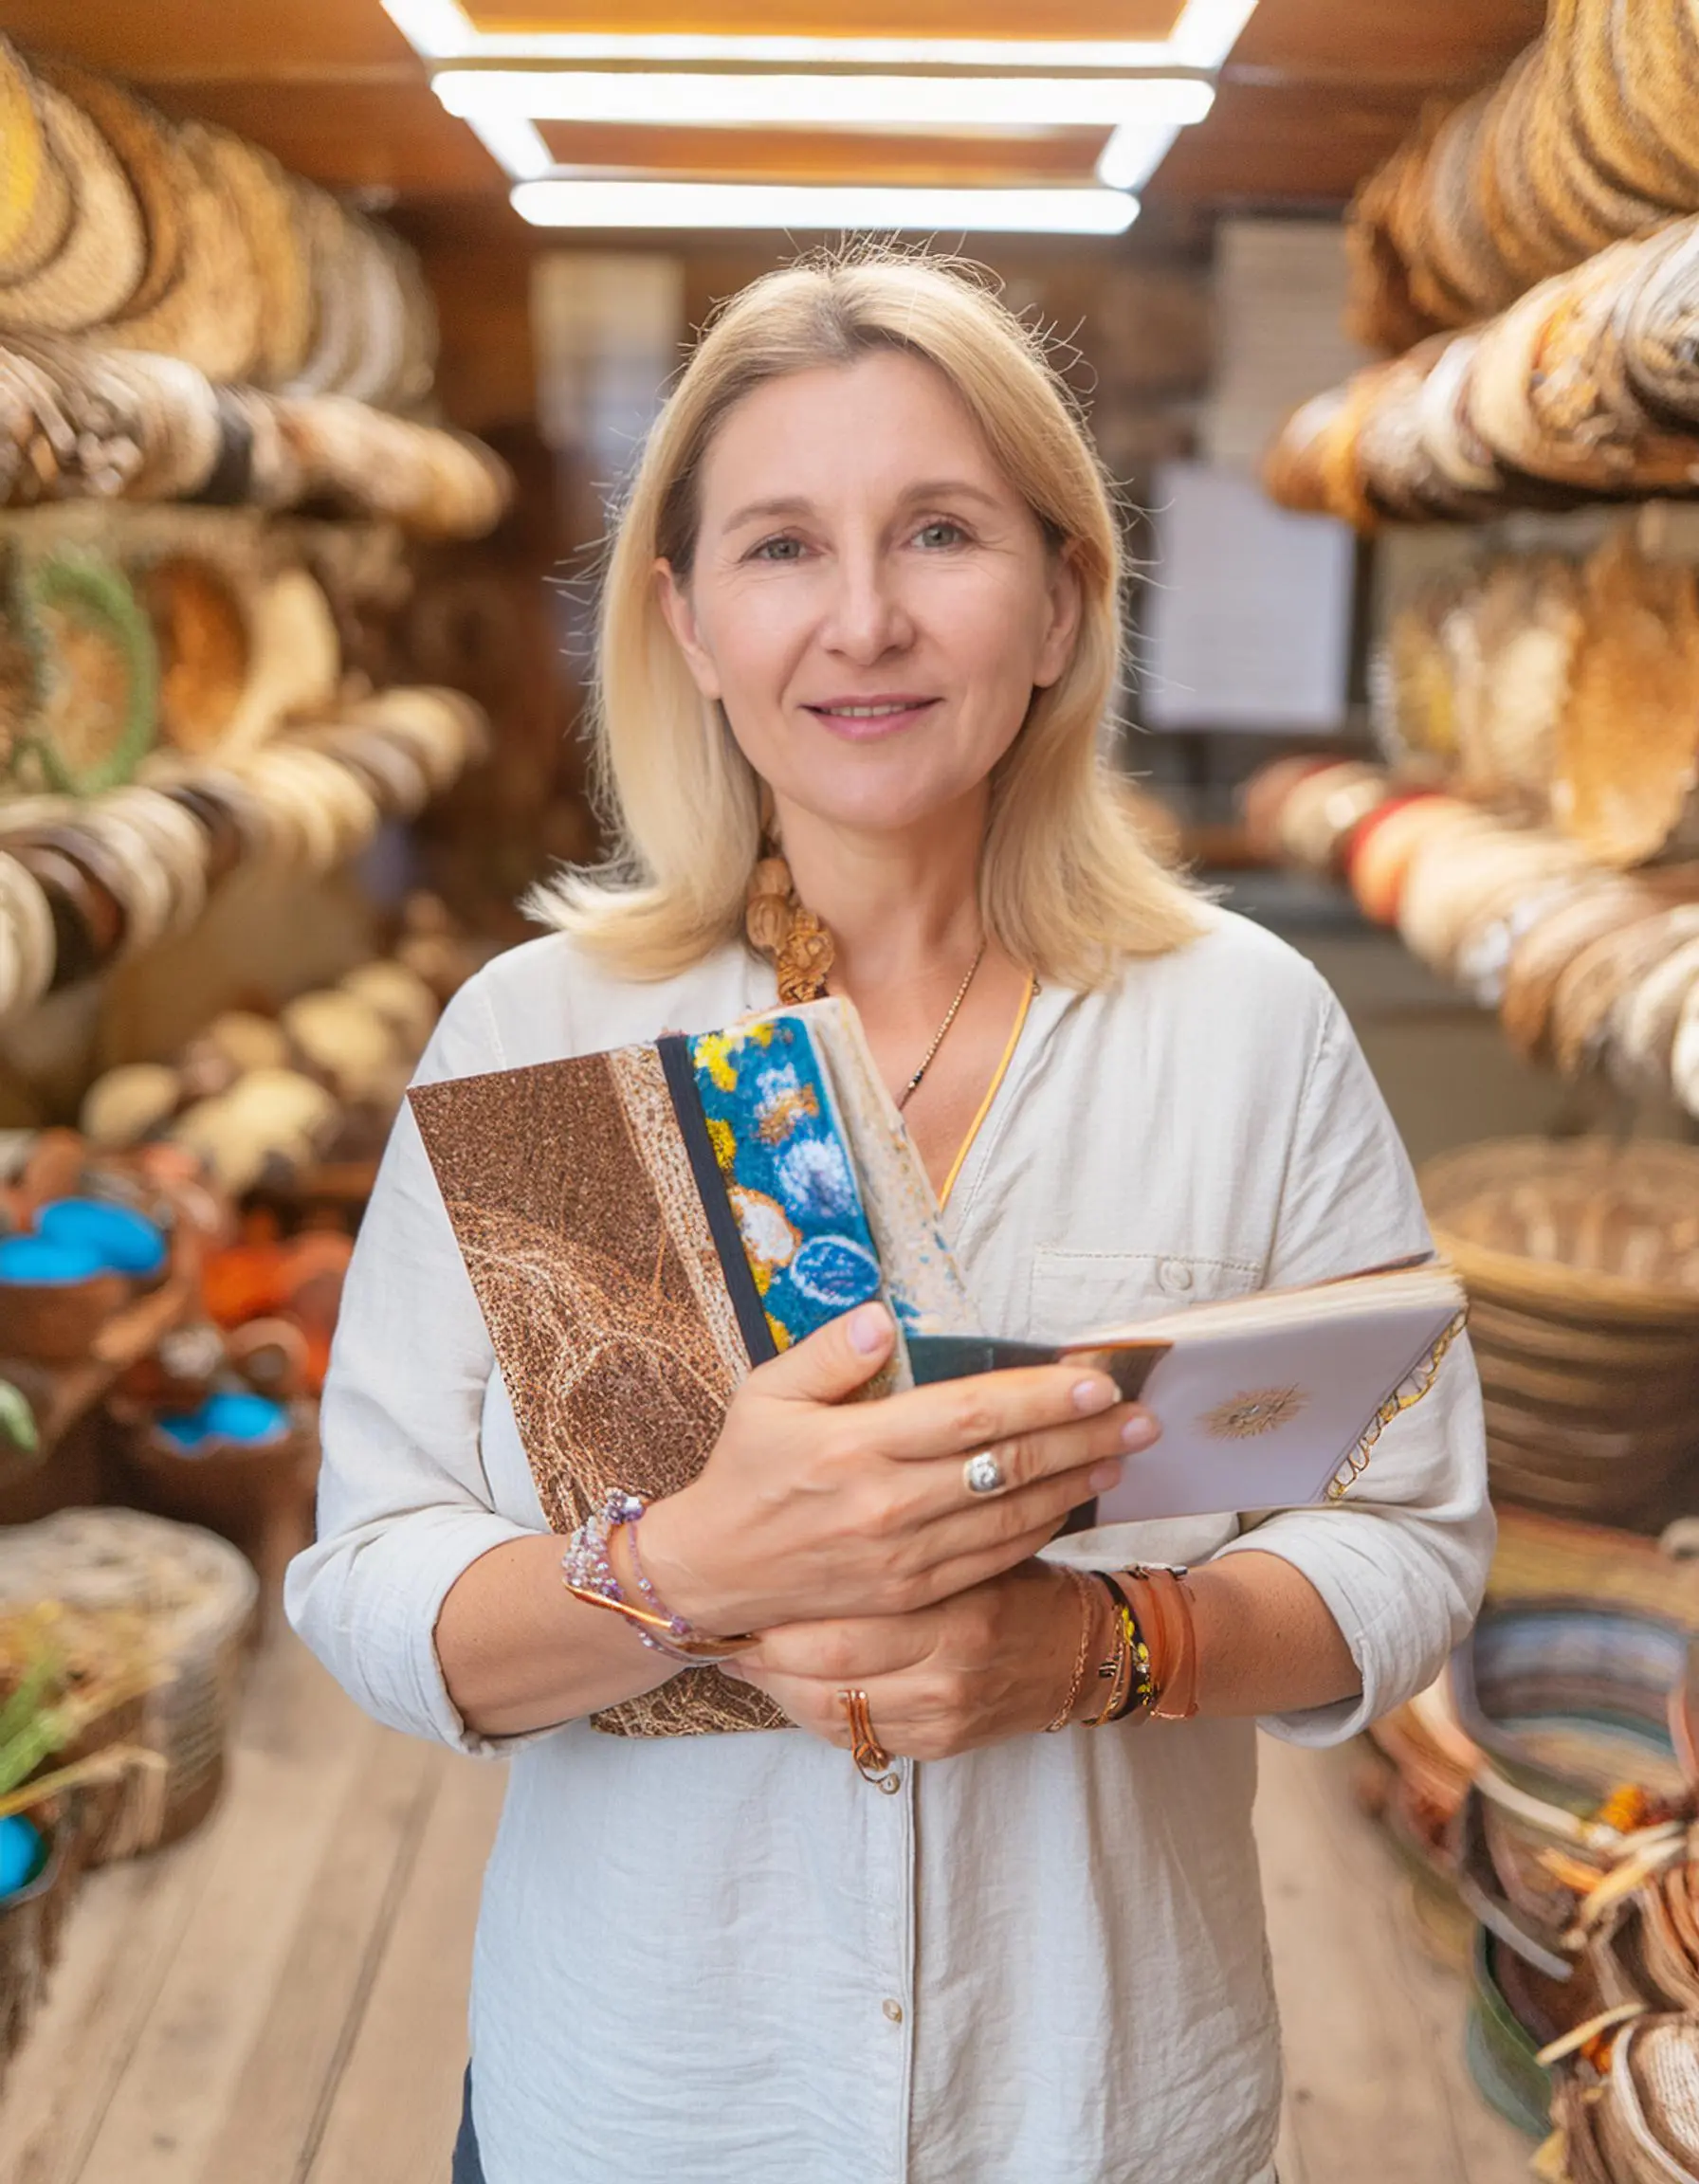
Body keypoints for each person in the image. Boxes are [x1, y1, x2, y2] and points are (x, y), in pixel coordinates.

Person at [286, 245, 1491, 2184]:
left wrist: (1099, 1648)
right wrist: (683, 1571)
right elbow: (369, 1582)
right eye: (780, 547)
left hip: (1097, 2116)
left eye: (939, 531)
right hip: (649, 2119)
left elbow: (1410, 1540)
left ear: (1060, 599)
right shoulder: (545, 1037)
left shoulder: (1241, 1029)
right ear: (685, 619)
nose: (862, 620)